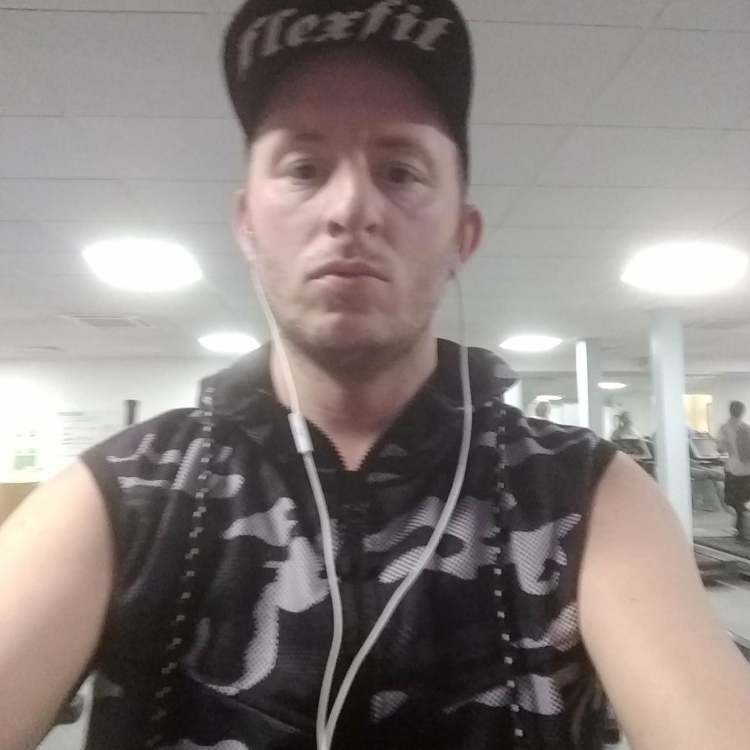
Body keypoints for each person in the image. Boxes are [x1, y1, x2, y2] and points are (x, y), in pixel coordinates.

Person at [2, 1, 750, 749]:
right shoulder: (129, 494)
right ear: (247, 224)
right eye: (304, 168)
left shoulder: (583, 495)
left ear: (462, 236)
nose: (351, 207)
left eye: (400, 171)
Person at [718, 401, 750, 541]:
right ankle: (741, 527)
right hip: (747, 469)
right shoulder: (747, 427)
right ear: (742, 412)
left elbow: (720, 449)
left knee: (731, 499)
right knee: (743, 498)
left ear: (730, 411)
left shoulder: (725, 428)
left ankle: (743, 520)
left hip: (733, 469)